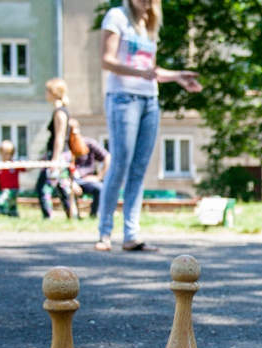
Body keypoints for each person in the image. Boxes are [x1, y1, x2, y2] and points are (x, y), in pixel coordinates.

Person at [95, 0, 202, 252]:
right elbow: (106, 60)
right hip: (123, 98)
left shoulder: (148, 25)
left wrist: (176, 76)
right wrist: (137, 73)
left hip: (149, 100)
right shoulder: (117, 17)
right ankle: (105, 233)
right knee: (120, 163)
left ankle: (131, 234)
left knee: (139, 168)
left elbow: (151, 70)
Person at [35, 78, 78, 220]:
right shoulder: (61, 111)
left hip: (58, 156)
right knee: (64, 188)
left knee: (43, 188)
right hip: (61, 155)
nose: (45, 93)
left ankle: (48, 216)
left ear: (53, 92)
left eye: (47, 90)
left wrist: (54, 158)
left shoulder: (59, 112)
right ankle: (73, 216)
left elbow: (60, 137)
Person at [69, 120, 110, 219]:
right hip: (70, 180)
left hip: (86, 179)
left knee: (100, 188)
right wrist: (71, 183)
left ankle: (95, 216)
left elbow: (107, 157)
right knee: (66, 189)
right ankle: (73, 216)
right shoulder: (64, 148)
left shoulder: (89, 143)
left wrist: (99, 176)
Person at [0, 140, 24, 218]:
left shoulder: (14, 164)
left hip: (13, 189)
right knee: (12, 205)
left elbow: (26, 169)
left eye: (7, 154)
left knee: (1, 201)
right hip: (4, 189)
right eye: (3, 153)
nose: (5, 156)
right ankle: (14, 215)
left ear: (11, 154)